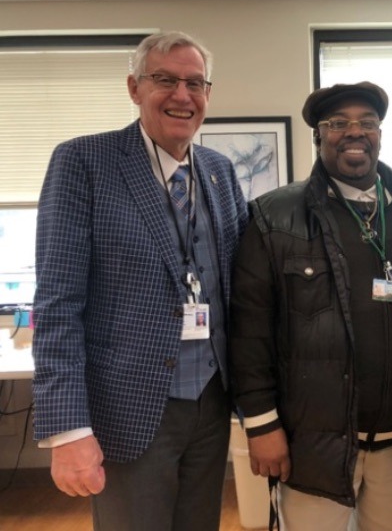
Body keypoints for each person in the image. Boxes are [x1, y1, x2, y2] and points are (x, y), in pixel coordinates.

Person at [228, 81, 392, 530]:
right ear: (318, 136)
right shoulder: (273, 216)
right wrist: (261, 425)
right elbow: (250, 329)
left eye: (367, 122)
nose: (354, 132)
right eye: (337, 123)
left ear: (380, 133)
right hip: (313, 445)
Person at [32, 31, 249, 531]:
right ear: (134, 88)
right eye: (164, 80)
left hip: (212, 404)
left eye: (195, 83)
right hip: (129, 407)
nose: (181, 94)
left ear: (208, 95)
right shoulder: (85, 162)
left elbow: (242, 287)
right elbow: (58, 302)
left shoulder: (219, 172)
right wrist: (68, 429)